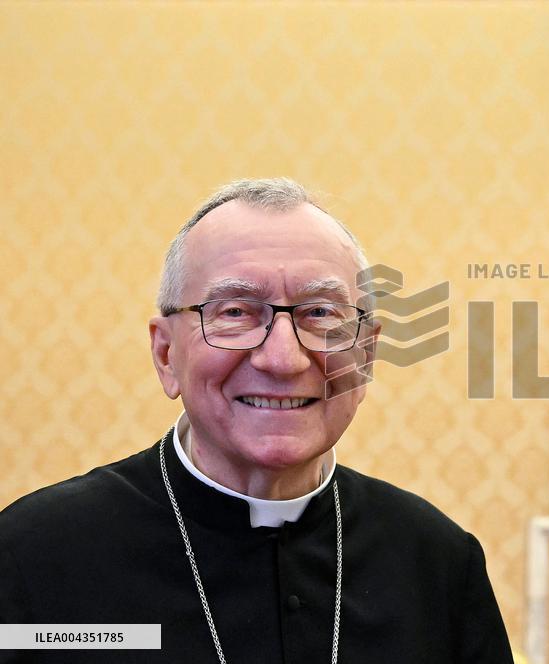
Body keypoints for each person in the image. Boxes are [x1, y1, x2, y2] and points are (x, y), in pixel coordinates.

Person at [0, 179, 513, 663]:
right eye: (235, 312)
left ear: (369, 353)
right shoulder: (33, 554)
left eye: (320, 314)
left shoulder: (439, 564)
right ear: (165, 354)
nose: (283, 359)